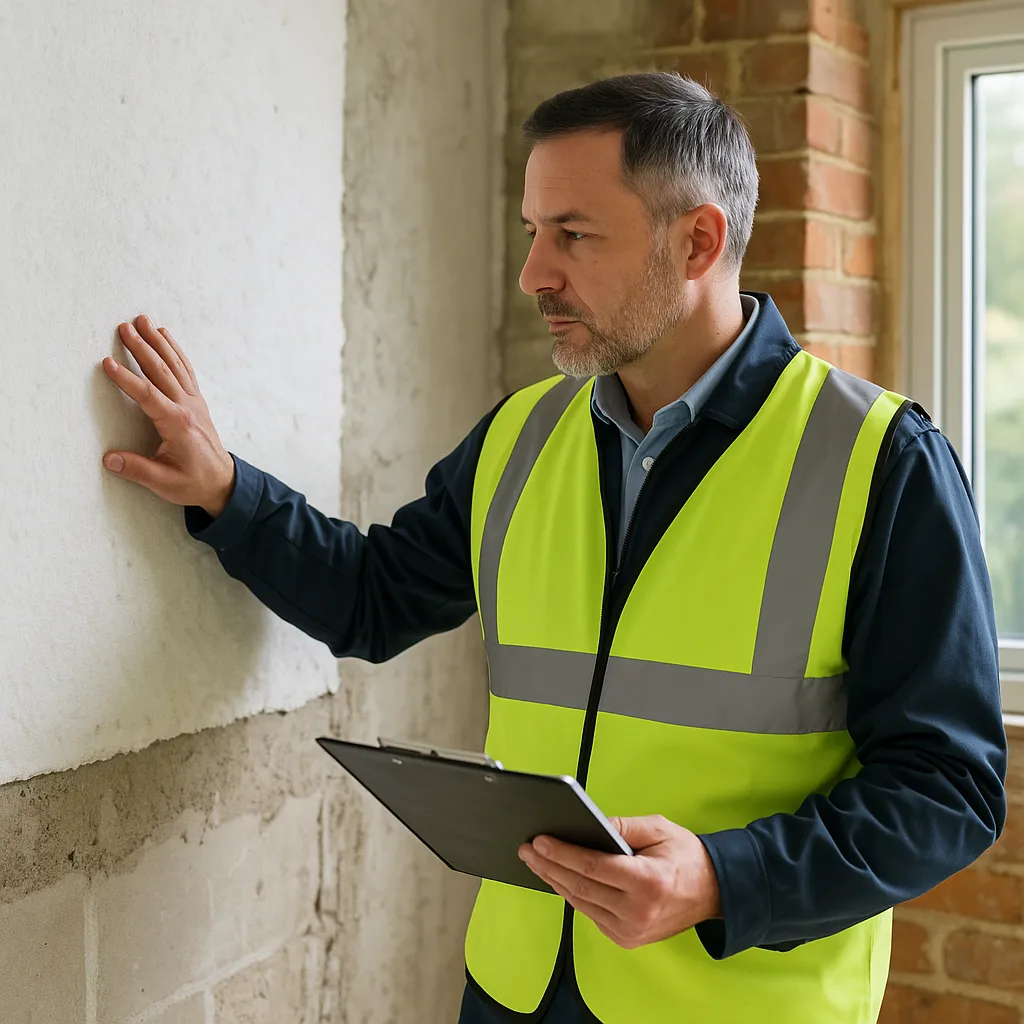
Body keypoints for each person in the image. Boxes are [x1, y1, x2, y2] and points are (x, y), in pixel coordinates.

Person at [100, 73, 1007, 1024]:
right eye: (533, 232)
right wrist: (225, 491)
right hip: (517, 992)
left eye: (574, 235)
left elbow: (946, 788)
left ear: (697, 240)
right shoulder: (524, 437)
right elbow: (371, 597)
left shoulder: (880, 461)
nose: (535, 273)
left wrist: (722, 877)